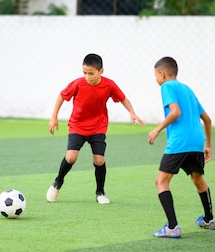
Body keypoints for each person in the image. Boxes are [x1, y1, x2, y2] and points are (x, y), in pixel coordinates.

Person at [46, 53, 143, 204]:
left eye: (91, 73)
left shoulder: (109, 85)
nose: (87, 77)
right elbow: (61, 96)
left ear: (101, 71)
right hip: (77, 125)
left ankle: (100, 193)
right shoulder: (77, 84)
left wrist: (132, 113)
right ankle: (57, 183)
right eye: (84, 73)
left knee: (99, 160)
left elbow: (123, 98)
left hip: (98, 126)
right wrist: (54, 117)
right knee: (71, 157)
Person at [148, 57, 215, 238]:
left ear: (162, 74)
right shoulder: (188, 89)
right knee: (197, 178)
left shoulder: (167, 87)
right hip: (196, 141)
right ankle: (209, 219)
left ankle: (172, 227)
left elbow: (175, 112)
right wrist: (208, 144)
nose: (155, 79)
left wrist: (157, 129)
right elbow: (207, 119)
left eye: (155, 75)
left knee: (161, 182)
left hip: (179, 142)